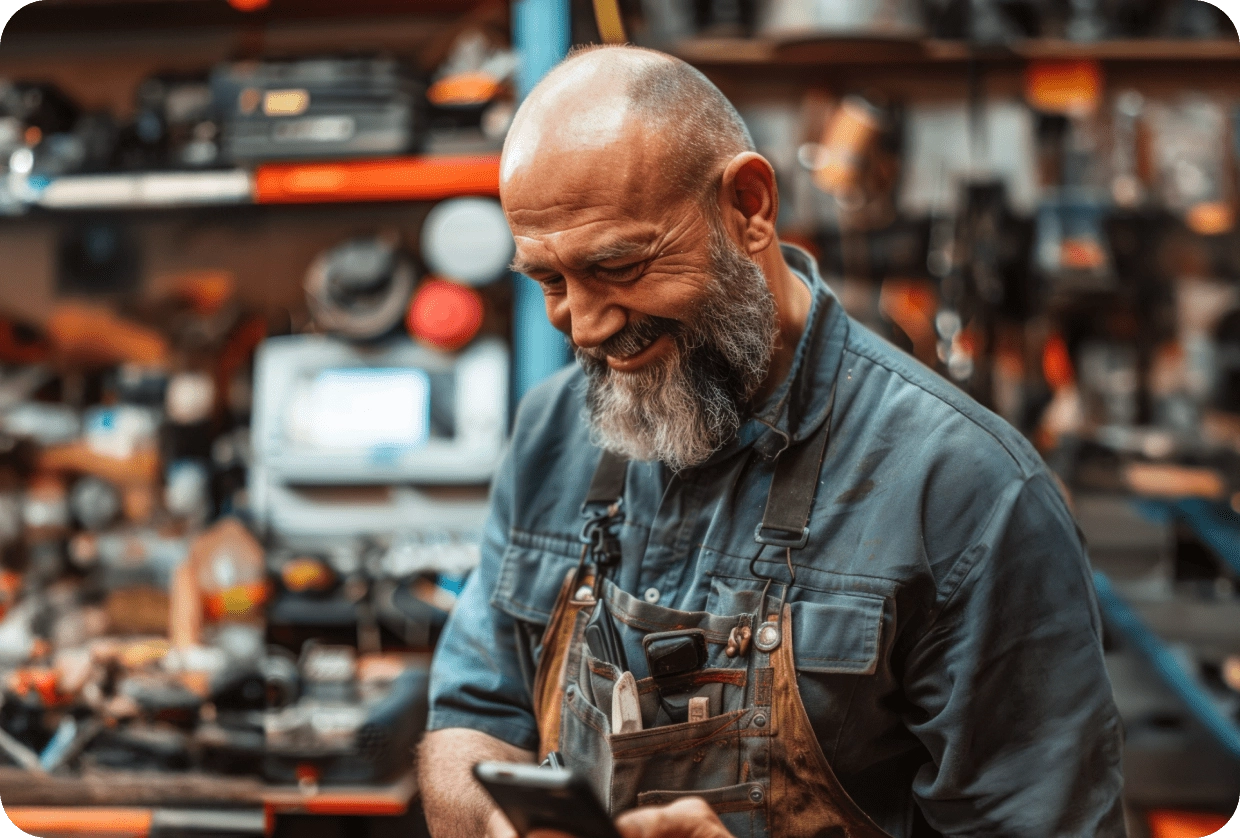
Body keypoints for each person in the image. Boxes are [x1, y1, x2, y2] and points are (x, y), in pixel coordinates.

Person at [418, 44, 1126, 838]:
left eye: (618, 265)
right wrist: (496, 825)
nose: (585, 326)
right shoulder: (555, 428)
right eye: (550, 280)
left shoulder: (969, 493)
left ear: (748, 206)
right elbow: (471, 713)